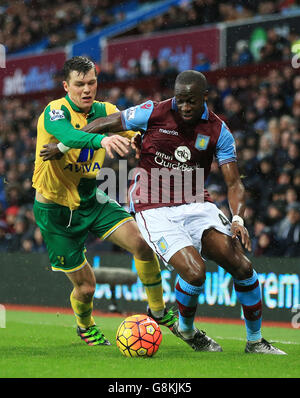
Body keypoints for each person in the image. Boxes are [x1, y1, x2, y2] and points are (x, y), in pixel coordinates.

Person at [46, 69, 286, 355]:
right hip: (153, 207)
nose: (184, 107)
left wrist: (237, 219)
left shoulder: (219, 130)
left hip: (197, 203)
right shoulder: (152, 111)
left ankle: (255, 341)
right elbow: (104, 123)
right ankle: (186, 328)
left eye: (191, 102)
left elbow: (234, 182)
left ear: (204, 98)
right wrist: (62, 146)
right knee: (195, 273)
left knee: (243, 267)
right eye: (179, 100)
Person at [32, 56, 178, 347]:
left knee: (142, 244)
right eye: (79, 84)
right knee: (86, 289)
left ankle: (158, 311)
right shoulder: (55, 112)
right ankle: (85, 326)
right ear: (66, 86)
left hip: (90, 198)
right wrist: (103, 140)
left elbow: (133, 131)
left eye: (91, 83)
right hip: (55, 210)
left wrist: (140, 140)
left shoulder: (106, 111)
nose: (87, 90)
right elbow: (70, 137)